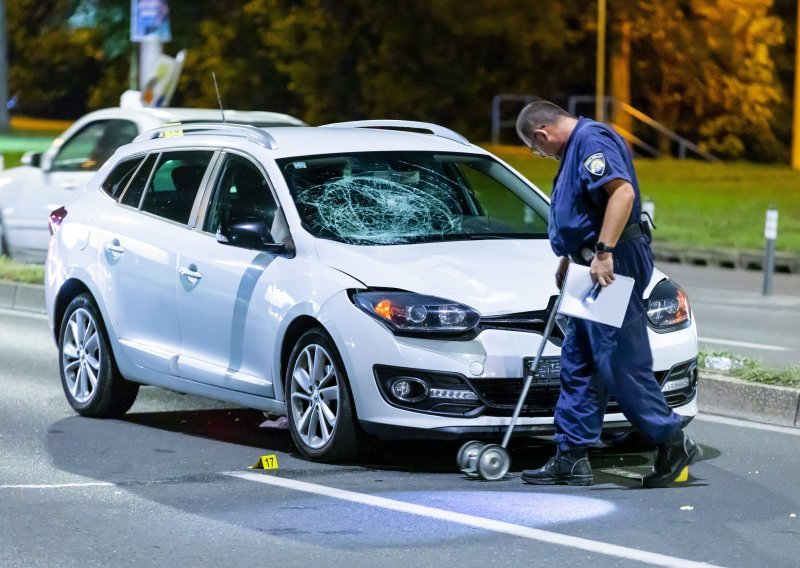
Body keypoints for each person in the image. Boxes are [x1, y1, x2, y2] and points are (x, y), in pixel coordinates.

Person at [515, 100, 702, 488]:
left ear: (541, 134)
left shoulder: (591, 140)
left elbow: (622, 195)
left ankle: (671, 440)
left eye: (536, 148)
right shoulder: (575, 148)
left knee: (618, 359)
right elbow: (586, 210)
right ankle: (572, 455)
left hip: (610, 267)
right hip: (589, 267)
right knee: (579, 360)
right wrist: (573, 256)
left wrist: (602, 252)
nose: (540, 154)